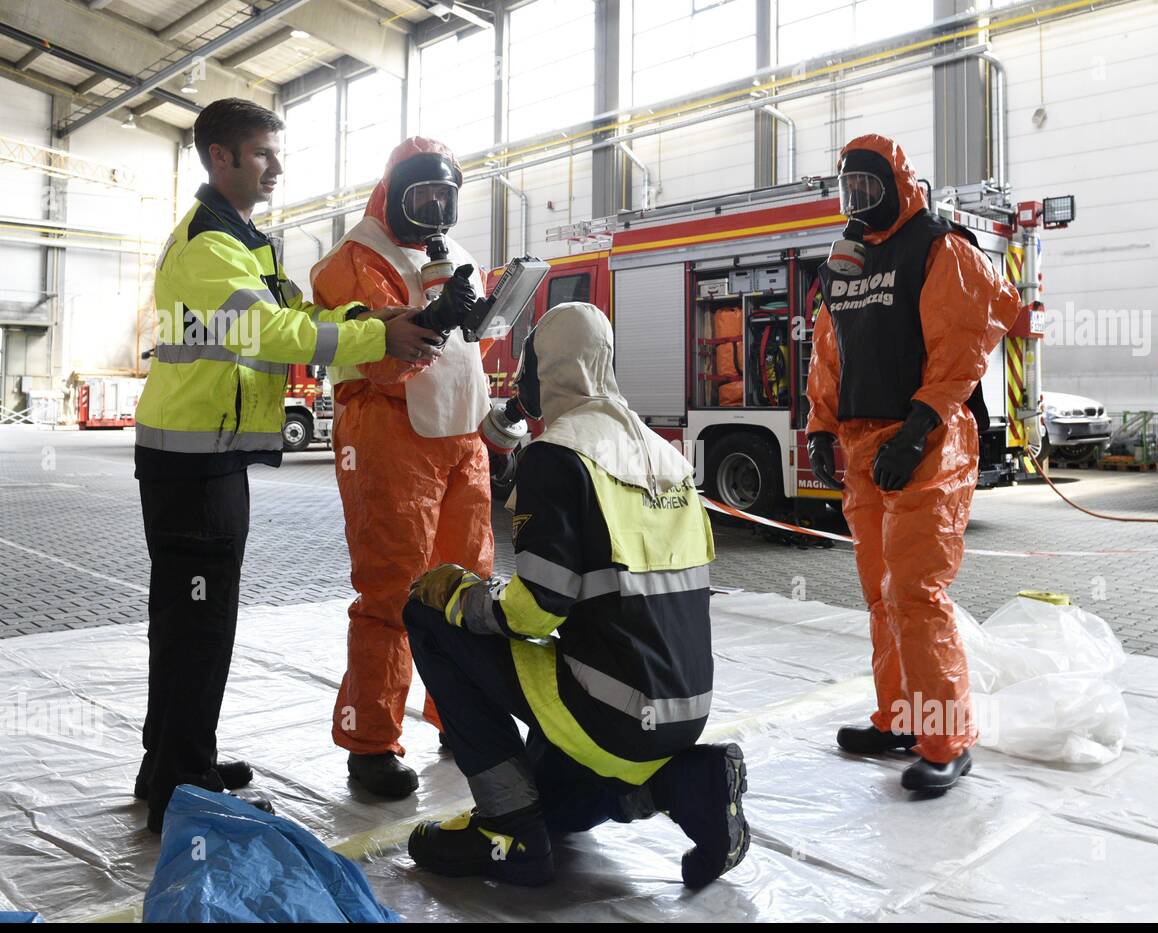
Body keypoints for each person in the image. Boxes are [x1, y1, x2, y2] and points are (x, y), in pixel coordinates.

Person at [133, 99, 442, 833]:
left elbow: (300, 316)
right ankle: (183, 786)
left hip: (206, 456)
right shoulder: (210, 246)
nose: (277, 166)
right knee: (199, 623)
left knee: (189, 619)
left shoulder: (243, 242)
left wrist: (378, 325)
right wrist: (378, 340)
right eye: (263, 153)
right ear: (220, 157)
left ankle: (174, 758)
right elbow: (273, 333)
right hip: (192, 463)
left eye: (277, 152)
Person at [401, 302, 750, 888]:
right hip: (683, 711)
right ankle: (693, 784)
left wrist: (463, 595)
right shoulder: (666, 456)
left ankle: (506, 830)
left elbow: (534, 610)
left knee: (427, 616)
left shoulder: (559, 455)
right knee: (557, 812)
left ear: (545, 373)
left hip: (611, 713)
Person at [805, 134, 1021, 794]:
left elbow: (959, 349)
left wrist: (919, 429)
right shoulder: (847, 264)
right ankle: (900, 716)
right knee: (881, 593)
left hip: (927, 444)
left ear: (899, 186)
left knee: (917, 594)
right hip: (865, 443)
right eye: (848, 192)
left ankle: (945, 738)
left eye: (868, 190)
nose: (857, 204)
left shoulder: (938, 247)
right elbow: (829, 346)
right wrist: (820, 425)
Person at [310, 138, 491, 798]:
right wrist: (432, 320)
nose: (437, 210)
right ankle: (371, 741)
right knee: (393, 591)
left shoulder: (460, 255)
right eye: (424, 198)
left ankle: (462, 714)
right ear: (394, 194)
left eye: (446, 197)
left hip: (462, 439)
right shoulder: (354, 260)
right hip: (389, 435)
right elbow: (382, 356)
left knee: (468, 587)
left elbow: (472, 346)